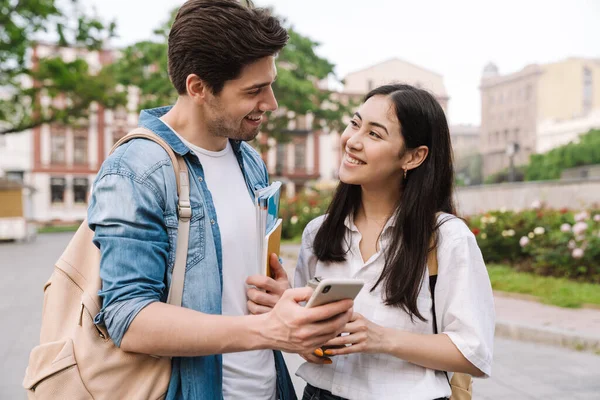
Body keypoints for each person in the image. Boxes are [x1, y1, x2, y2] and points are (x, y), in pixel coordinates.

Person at [87, 1, 353, 399]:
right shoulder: (136, 168)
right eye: (254, 90)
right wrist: (267, 330)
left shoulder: (248, 159)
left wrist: (278, 296)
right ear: (198, 88)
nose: (271, 103)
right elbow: (129, 317)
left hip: (268, 387)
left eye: (270, 83)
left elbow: (236, 278)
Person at [248, 84, 495, 400]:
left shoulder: (447, 238)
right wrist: (296, 317)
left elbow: (473, 352)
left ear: (413, 156)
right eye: (354, 124)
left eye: (374, 134)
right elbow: (311, 347)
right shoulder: (319, 232)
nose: (352, 140)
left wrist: (379, 338)